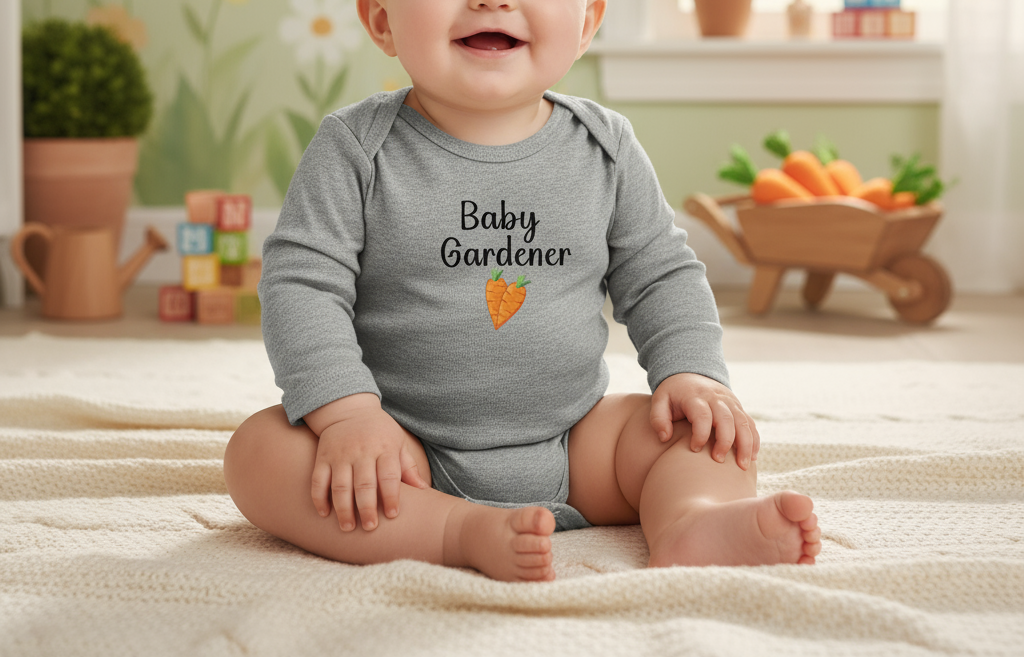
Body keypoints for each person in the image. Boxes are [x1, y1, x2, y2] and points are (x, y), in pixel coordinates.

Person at [223, 0, 821, 582]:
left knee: (703, 433)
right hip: (403, 452)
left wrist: (692, 373)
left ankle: (693, 523)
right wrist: (348, 415)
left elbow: (662, 273)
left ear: (586, 21)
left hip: (579, 444)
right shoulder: (355, 148)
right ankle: (454, 530)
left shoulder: (604, 147)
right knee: (259, 455)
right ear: (383, 20)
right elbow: (303, 282)